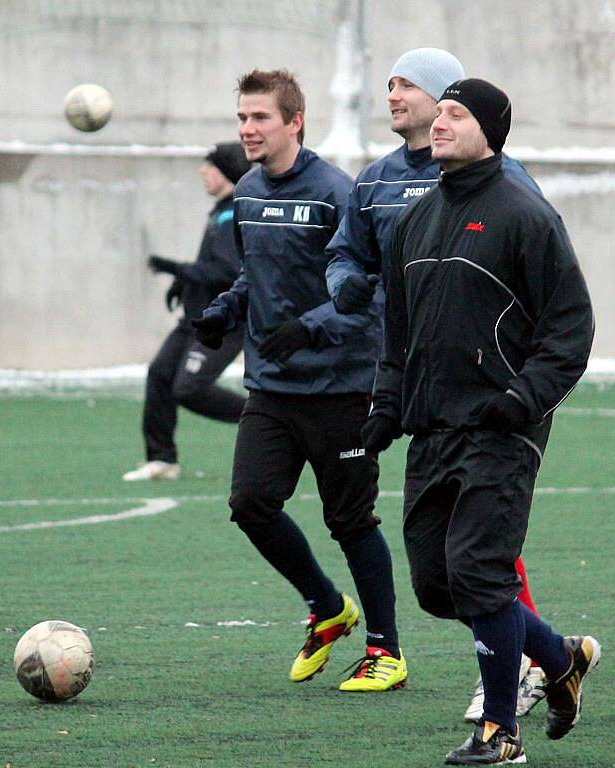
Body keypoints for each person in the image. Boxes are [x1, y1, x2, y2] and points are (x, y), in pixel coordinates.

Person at [362, 77, 601, 764]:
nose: (439, 123)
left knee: (479, 572)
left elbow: (571, 328)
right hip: (433, 431)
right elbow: (397, 334)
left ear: (490, 130)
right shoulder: (417, 219)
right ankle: (559, 658)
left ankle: (500, 733)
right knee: (437, 586)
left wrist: (523, 399)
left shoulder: (526, 216)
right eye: (438, 113)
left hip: (502, 429)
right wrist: (385, 406)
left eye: (455, 114)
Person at [325, 47, 548, 719]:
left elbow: (545, 287)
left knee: (481, 553)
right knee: (441, 568)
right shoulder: (376, 182)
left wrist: (522, 385)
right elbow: (349, 255)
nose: (393, 95)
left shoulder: (507, 186)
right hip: (416, 392)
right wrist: (345, 284)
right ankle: (549, 653)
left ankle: (514, 680)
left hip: (490, 397)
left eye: (409, 86)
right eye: (389, 84)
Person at [191, 69, 407, 692]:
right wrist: (226, 311)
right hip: (271, 387)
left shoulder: (337, 192)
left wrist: (311, 328)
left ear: (295, 121)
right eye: (241, 119)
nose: (247, 130)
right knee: (250, 504)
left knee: (351, 520)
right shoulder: (250, 191)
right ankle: (328, 607)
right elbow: (253, 277)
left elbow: (368, 293)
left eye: (260, 118)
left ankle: (385, 653)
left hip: (340, 387)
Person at [122, 143, 250, 482]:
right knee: (160, 374)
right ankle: (162, 458)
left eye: (210, 165)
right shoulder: (219, 210)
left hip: (221, 323)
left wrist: (176, 270)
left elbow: (228, 272)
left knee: (189, 388)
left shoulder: (233, 212)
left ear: (226, 171)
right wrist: (184, 286)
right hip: (194, 318)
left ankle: (267, 419)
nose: (202, 171)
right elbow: (210, 266)